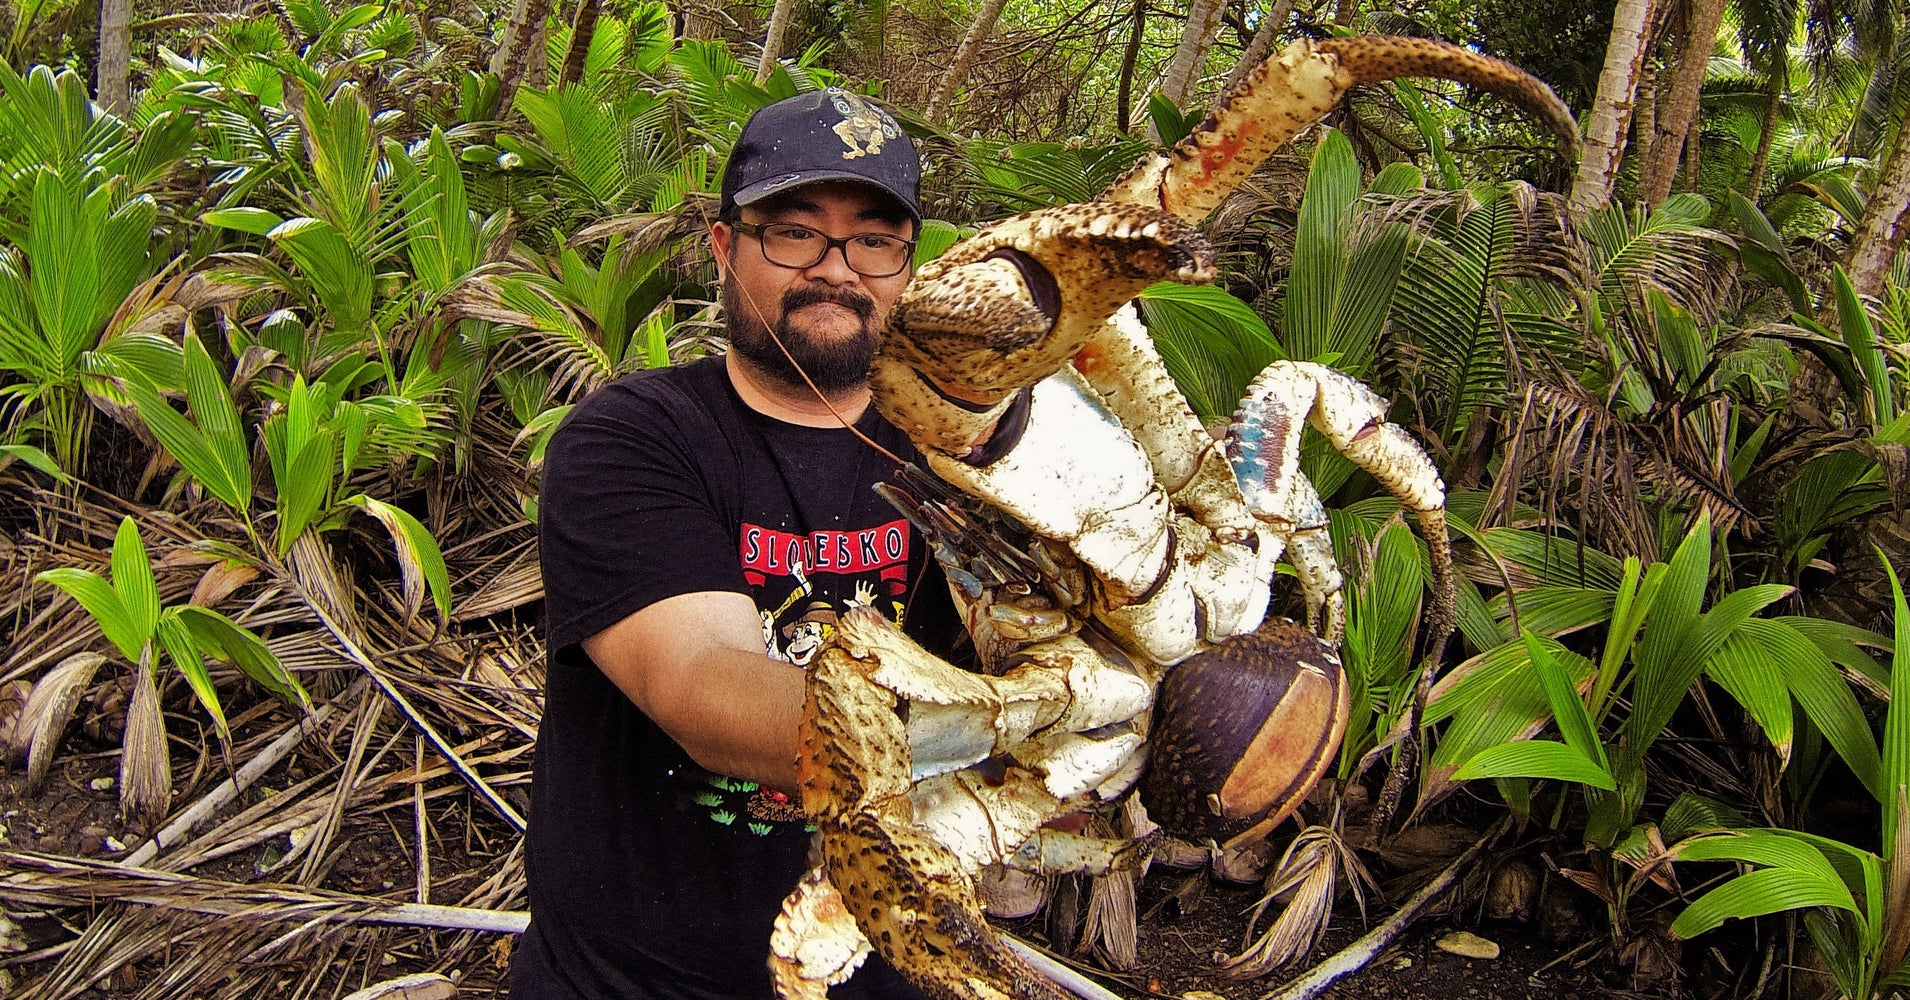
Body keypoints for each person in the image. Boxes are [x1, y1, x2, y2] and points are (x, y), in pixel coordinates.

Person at [509, 89, 961, 1000]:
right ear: (725, 248)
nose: (837, 269)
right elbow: (702, 684)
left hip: (890, 969)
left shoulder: (966, 457)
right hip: (630, 982)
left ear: (908, 268)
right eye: (794, 231)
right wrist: (1023, 726)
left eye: (874, 241)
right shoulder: (633, 436)